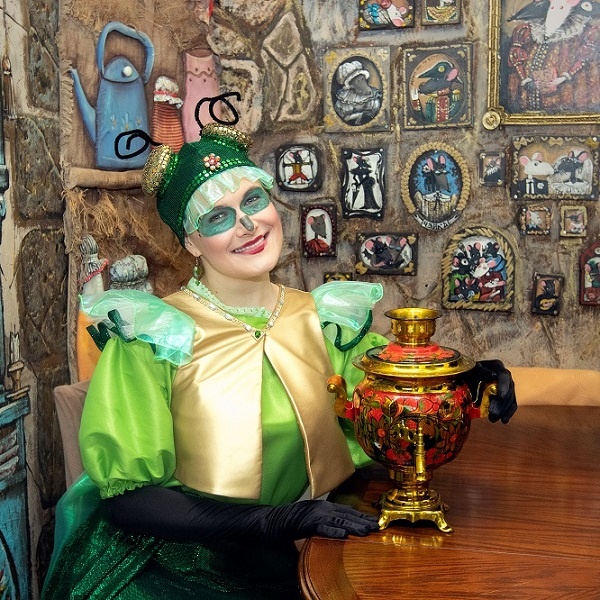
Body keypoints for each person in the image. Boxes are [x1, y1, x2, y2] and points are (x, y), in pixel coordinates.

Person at [42, 123, 517, 600]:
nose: (248, 225)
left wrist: (468, 381)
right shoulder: (154, 336)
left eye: (253, 201)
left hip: (284, 558)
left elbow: (390, 404)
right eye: (218, 218)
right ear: (191, 243)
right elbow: (129, 501)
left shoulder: (323, 322)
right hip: (163, 567)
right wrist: (273, 521)